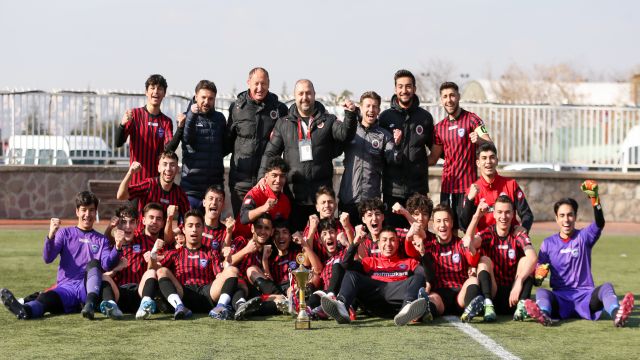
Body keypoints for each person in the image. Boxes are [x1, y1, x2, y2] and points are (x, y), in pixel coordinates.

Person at [525, 181, 634, 327]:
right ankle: (543, 314)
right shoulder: (548, 244)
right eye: (562, 215)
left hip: (586, 297)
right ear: (556, 218)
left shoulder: (584, 236)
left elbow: (600, 223)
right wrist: (538, 275)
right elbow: (537, 279)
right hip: (561, 298)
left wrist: (595, 199)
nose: (566, 219)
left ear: (575, 217)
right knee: (542, 293)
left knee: (606, 287)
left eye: (570, 215)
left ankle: (617, 314)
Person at [1, 191, 119, 320]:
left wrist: (117, 247)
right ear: (77, 212)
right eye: (83, 210)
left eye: (91, 210)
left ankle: (89, 305)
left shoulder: (102, 239)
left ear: (95, 212)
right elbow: (48, 258)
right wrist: (51, 235)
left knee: (94, 263)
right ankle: (25, 310)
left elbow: (107, 264)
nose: (87, 214)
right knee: (46, 298)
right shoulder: (65, 233)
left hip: (87, 289)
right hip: (66, 289)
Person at [260, 79, 357, 231]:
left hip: (321, 200)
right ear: (295, 96)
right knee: (296, 243)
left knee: (322, 243)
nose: (304, 97)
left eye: (308, 93)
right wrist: (262, 179)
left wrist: (350, 115)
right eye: (301, 93)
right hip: (293, 197)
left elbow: (345, 134)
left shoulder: (329, 119)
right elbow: (271, 153)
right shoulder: (283, 123)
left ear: (314, 95)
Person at [320, 225, 428, 326]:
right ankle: (342, 306)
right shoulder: (369, 262)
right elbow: (345, 266)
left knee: (419, 276)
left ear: (398, 243)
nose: (388, 244)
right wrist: (355, 244)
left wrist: (423, 253)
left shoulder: (409, 262)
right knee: (351, 274)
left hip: (398, 299)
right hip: (373, 299)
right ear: (378, 244)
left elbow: (425, 276)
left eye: (392, 240)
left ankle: (408, 308)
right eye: (384, 240)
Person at [155, 210, 246, 320]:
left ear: (203, 229)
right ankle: (179, 307)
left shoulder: (212, 252)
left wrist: (228, 261)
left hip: (207, 294)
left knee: (232, 270)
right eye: (190, 226)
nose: (194, 229)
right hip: (184, 294)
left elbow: (219, 275)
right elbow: (153, 269)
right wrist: (153, 253)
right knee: (161, 271)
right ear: (183, 229)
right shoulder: (175, 253)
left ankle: (220, 307)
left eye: (198, 226)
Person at [428, 81, 493, 231]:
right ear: (441, 100)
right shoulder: (439, 128)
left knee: (469, 229)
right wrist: (411, 160)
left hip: (468, 189)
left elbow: (491, 145)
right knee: (448, 230)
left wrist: (480, 140)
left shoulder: (473, 119)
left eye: (452, 95)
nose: (449, 99)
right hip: (448, 188)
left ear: (458, 96)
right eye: (445, 96)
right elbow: (433, 158)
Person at [464, 196, 538, 322]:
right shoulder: (489, 233)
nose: (503, 216)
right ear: (493, 214)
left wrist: (519, 281)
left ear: (513, 214)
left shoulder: (518, 234)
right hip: (494, 294)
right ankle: (488, 305)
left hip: (514, 296)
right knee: (484, 260)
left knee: (526, 261)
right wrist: (477, 216)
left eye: (507, 212)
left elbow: (533, 258)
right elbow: (468, 243)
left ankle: (522, 306)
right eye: (500, 212)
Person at [227, 67, 289, 216]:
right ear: (248, 83)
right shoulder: (236, 108)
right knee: (242, 225)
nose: (260, 88)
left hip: (268, 183)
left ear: (269, 84)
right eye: (256, 83)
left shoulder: (279, 109)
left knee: (266, 227)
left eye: (264, 84)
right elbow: (227, 142)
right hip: (240, 183)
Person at [379, 70, 434, 228]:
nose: (404, 91)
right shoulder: (385, 117)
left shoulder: (425, 118)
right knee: (393, 235)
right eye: (400, 87)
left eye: (408, 86)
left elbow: (436, 147)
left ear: (414, 89)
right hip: (393, 190)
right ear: (395, 89)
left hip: (418, 189)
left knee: (417, 235)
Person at [338, 91, 399, 224]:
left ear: (379, 110)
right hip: (348, 197)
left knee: (369, 243)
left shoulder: (384, 136)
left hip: (370, 203)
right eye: (368, 106)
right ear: (361, 108)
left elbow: (392, 160)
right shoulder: (350, 130)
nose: (371, 110)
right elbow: (334, 148)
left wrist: (397, 145)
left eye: (375, 106)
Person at [98, 203, 164, 320]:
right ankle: (112, 306)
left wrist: (153, 257)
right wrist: (116, 268)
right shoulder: (111, 244)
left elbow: (161, 259)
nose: (127, 226)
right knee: (103, 277)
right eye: (123, 222)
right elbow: (106, 270)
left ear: (137, 224)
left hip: (139, 292)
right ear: (117, 224)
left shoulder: (145, 241)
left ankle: (145, 305)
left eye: (132, 222)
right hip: (119, 293)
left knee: (151, 273)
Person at [417, 204, 482, 320]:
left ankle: (470, 309)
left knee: (473, 280)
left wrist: (472, 257)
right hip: (439, 296)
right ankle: (425, 310)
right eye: (438, 221)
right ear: (433, 224)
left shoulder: (461, 244)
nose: (442, 225)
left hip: (460, 296)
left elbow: (473, 261)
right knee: (432, 298)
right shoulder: (428, 246)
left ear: (452, 223)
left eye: (446, 220)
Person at [460, 142, 534, 233]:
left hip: (509, 241)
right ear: (478, 163)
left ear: (497, 161)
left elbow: (527, 214)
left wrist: (524, 228)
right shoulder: (472, 191)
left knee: (528, 245)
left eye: (492, 157)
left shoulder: (511, 185)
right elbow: (464, 226)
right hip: (484, 243)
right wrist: (469, 200)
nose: (488, 161)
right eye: (484, 158)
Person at [116, 150, 190, 239]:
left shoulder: (179, 193)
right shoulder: (149, 184)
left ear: (177, 169)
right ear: (159, 168)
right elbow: (121, 196)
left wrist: (174, 233)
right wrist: (130, 172)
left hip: (163, 242)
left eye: (172, 165)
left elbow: (188, 219)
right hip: (141, 237)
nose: (168, 169)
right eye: (165, 164)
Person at [115, 74, 174, 186]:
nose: (156, 91)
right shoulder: (135, 115)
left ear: (164, 93)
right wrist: (122, 124)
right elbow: (118, 143)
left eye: (160, 88)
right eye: (152, 88)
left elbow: (169, 149)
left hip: (156, 184)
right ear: (146, 92)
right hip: (136, 182)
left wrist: (180, 129)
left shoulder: (166, 122)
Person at [180, 80, 228, 210]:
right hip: (191, 188)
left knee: (212, 229)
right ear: (196, 97)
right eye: (203, 97)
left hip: (214, 189)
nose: (207, 102)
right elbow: (187, 139)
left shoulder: (220, 118)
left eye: (210, 98)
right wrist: (191, 116)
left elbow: (223, 148)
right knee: (190, 228)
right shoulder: (187, 117)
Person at [235, 157, 291, 239]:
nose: (278, 180)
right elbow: (243, 218)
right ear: (266, 176)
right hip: (242, 241)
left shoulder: (285, 201)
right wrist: (264, 208)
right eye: (274, 175)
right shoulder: (255, 193)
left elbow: (283, 227)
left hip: (266, 243)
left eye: (282, 176)